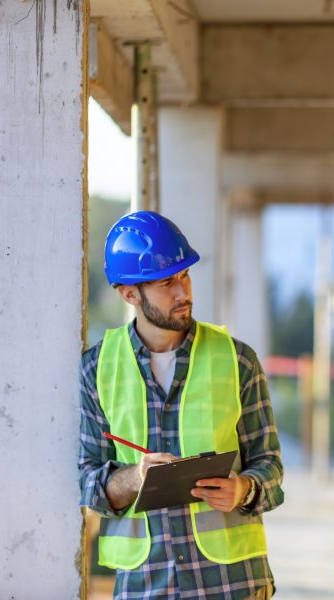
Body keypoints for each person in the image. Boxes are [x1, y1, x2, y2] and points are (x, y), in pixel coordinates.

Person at [78, 211, 284, 599]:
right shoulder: (97, 369)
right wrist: (134, 478)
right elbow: (87, 481)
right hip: (145, 584)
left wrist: (244, 489)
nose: (183, 292)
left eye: (185, 276)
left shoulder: (237, 360)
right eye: (166, 282)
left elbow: (270, 465)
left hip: (232, 583)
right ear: (128, 293)